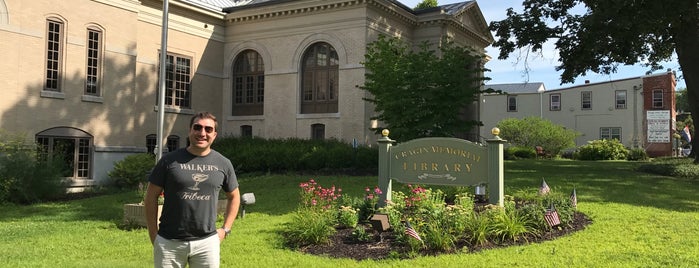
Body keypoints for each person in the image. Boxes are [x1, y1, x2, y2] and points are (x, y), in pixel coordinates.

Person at [144, 111, 240, 268]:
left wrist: (225, 229)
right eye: (198, 127)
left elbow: (234, 196)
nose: (202, 133)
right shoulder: (169, 161)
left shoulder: (223, 163)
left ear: (214, 135)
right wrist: (154, 234)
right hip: (169, 242)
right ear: (190, 131)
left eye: (208, 129)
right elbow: (151, 197)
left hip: (207, 243)